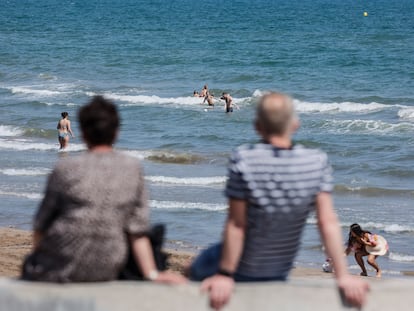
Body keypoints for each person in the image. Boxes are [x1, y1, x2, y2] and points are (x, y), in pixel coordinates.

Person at [189, 92, 369, 310]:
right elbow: (327, 222)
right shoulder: (315, 162)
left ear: (257, 126)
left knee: (192, 272)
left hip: (240, 263)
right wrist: (342, 275)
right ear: (295, 124)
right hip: (278, 268)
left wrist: (225, 274)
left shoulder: (244, 158)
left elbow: (236, 224)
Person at [22, 96, 186, 285]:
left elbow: (40, 225)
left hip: (63, 267)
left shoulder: (65, 169)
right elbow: (138, 230)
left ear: (83, 134)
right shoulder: (132, 168)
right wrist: (152, 274)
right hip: (109, 266)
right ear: (116, 133)